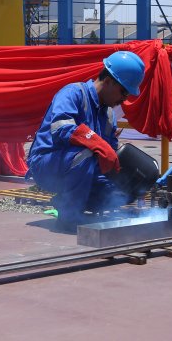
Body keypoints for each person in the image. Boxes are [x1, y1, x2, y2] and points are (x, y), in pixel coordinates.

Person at [26, 51, 145, 232]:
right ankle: (69, 218)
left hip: (80, 169)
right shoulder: (73, 93)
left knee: (121, 189)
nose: (124, 100)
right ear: (109, 81)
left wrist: (128, 181)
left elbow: (108, 157)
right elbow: (61, 129)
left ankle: (69, 203)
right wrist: (98, 143)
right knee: (87, 154)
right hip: (47, 164)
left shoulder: (109, 115)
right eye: (124, 92)